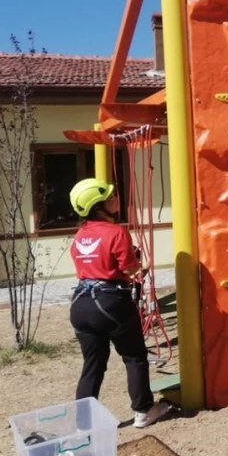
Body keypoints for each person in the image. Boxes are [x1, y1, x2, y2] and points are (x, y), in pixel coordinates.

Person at [68, 178, 171, 428]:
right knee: (134, 356)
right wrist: (142, 267)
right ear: (98, 206)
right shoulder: (116, 232)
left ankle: (83, 421)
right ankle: (144, 410)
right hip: (110, 302)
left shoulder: (80, 235)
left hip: (81, 304)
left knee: (93, 363)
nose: (116, 199)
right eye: (110, 197)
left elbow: (92, 268)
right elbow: (130, 270)